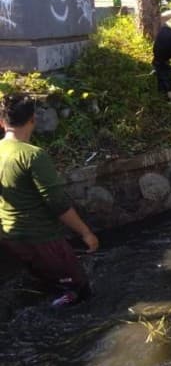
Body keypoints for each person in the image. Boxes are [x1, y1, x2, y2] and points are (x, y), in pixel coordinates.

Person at [0, 94, 99, 307]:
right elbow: (57, 203)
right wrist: (86, 233)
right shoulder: (33, 156)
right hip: (42, 238)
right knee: (80, 291)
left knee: (46, 285)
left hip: (10, 238)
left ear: (2, 122)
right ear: (32, 119)